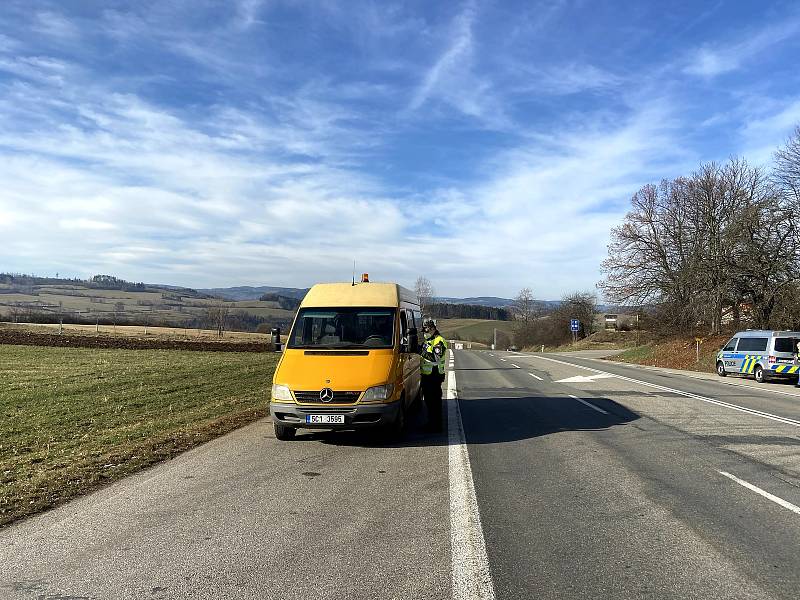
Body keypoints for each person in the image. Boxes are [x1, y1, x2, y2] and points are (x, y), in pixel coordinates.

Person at [420, 318, 448, 431]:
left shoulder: (439, 341)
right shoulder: (429, 340)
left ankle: (435, 426)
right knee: (429, 402)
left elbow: (436, 358)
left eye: (426, 330)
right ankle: (432, 423)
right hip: (427, 376)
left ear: (432, 328)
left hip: (434, 376)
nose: (424, 333)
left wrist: (421, 351)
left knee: (434, 403)